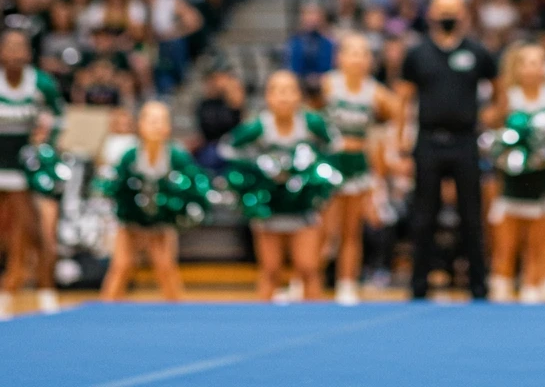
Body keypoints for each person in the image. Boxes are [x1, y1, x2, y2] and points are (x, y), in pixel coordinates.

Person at [397, 0, 498, 300]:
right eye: (442, 10)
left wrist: (490, 118)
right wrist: (401, 141)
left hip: (465, 141)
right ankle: (419, 285)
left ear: (465, 14)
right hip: (428, 140)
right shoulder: (418, 54)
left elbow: (499, 91)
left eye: (453, 9)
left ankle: (478, 285)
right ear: (431, 14)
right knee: (423, 216)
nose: (448, 16)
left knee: (471, 215)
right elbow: (403, 99)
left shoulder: (478, 52)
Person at [220, 70, 332, 302]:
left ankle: (316, 318)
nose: (284, 97)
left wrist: (314, 173)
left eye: (290, 90)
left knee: (308, 267)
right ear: (268, 96)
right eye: (278, 91)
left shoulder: (311, 123)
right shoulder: (258, 126)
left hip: (302, 206)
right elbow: (228, 148)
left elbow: (334, 146)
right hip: (268, 207)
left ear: (299, 96)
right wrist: (256, 170)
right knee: (270, 270)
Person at [100, 100, 208, 302]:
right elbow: (115, 187)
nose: (157, 126)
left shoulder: (177, 156)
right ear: (140, 125)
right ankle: (105, 311)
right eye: (151, 121)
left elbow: (195, 186)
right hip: (130, 223)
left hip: (161, 223)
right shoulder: (130, 156)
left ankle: (175, 314)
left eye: (161, 121)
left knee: (165, 267)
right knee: (121, 266)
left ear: (168, 127)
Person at [321, 33, 398, 304]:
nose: (357, 59)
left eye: (363, 53)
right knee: (324, 229)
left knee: (350, 231)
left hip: (357, 163)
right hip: (329, 162)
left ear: (370, 60)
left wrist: (390, 150)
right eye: (351, 52)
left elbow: (399, 111)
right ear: (340, 57)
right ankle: (307, 280)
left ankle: (347, 283)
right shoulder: (328, 85)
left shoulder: (376, 92)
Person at [487, 43, 545, 303]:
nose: (533, 69)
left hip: (543, 178)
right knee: (507, 242)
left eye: (538, 63)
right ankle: (502, 283)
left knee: (539, 240)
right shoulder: (509, 97)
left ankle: (535, 282)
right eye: (527, 63)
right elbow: (492, 128)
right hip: (513, 179)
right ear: (518, 68)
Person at [0, 29, 64, 317]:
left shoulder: (41, 83)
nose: (14, 54)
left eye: (20, 47)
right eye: (9, 47)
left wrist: (45, 143)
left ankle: (39, 287)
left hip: (25, 168)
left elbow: (59, 120)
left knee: (31, 229)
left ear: (28, 52)